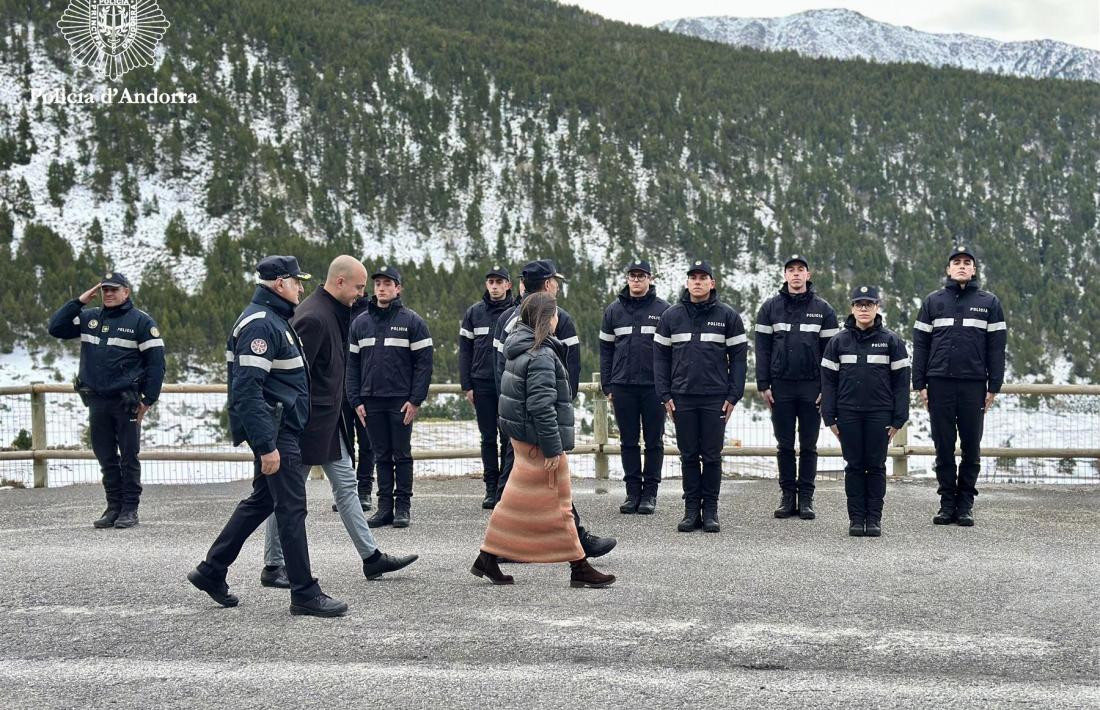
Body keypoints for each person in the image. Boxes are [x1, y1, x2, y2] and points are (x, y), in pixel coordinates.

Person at [188, 256, 347, 617]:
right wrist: (266, 446)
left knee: (261, 501)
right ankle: (305, 593)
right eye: (296, 281)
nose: (301, 288)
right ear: (278, 284)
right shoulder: (261, 325)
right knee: (292, 509)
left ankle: (211, 570)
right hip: (277, 434)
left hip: (282, 430)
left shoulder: (276, 320)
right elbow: (247, 392)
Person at [260, 256, 417, 589]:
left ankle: (371, 558)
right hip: (306, 426)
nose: (363, 294)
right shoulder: (314, 317)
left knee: (346, 487)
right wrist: (292, 424)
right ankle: (273, 565)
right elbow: (293, 376)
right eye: (360, 287)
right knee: (285, 495)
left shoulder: (336, 311)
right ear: (341, 282)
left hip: (328, 423)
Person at [472, 292, 616, 589]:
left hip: (523, 439)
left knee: (513, 500)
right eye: (555, 315)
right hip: (540, 442)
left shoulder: (520, 348)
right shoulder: (540, 354)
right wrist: (552, 448)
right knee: (561, 502)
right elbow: (541, 405)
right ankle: (580, 566)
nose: (558, 319)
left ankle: (486, 557)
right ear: (545, 319)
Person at [47, 271, 165, 529]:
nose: (109, 294)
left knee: (128, 456)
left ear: (126, 291)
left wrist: (148, 400)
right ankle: (113, 507)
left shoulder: (141, 322)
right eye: (105, 290)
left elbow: (156, 365)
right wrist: (78, 302)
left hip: (127, 401)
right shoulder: (89, 318)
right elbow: (55, 327)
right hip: (97, 400)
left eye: (114, 289)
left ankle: (129, 509)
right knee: (105, 456)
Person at [912, 246, 1006, 527]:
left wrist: (994, 386)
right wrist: (920, 384)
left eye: (967, 263)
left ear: (974, 269)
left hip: (973, 385)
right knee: (942, 446)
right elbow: (921, 345)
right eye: (957, 262)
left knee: (971, 447)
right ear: (948, 269)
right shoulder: (933, 302)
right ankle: (946, 504)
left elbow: (997, 348)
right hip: (938, 383)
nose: (962, 266)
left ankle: (965, 505)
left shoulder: (989, 303)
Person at [654, 260, 748, 534]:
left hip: (715, 398)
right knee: (688, 455)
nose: (697, 281)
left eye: (703, 277)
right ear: (687, 283)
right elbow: (660, 358)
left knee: (712, 456)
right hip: (681, 397)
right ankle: (691, 510)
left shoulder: (728, 316)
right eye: (693, 277)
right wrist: (664, 393)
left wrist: (734, 394)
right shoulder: (671, 316)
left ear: (712, 283)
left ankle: (711, 512)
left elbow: (740, 359)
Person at [346, 265, 434, 529]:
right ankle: (384, 508)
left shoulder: (413, 322)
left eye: (388, 283)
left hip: (400, 401)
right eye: (378, 284)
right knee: (379, 454)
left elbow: (424, 365)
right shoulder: (360, 323)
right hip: (370, 400)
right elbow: (352, 366)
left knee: (402, 454)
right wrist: (356, 400)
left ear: (398, 288)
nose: (382, 288)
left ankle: (403, 508)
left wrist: (416, 399)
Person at [820, 286, 910, 537]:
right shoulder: (838, 342)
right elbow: (827, 382)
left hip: (879, 414)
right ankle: (856, 519)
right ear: (852, 308)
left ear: (877, 307)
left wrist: (899, 419)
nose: (863, 309)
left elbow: (902, 382)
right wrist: (830, 417)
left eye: (868, 304)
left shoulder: (891, 341)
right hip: (848, 414)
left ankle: (874, 519)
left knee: (876, 465)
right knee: (854, 466)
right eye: (859, 304)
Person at [754, 255, 839, 520]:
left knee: (809, 445)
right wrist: (763, 384)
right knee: (785, 445)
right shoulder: (770, 309)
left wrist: (827, 387)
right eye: (791, 270)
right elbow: (762, 349)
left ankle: (807, 498)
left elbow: (831, 353)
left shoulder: (823, 310)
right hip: (780, 387)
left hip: (812, 387)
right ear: (785, 275)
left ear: (808, 275)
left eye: (800, 270)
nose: (796, 274)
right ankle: (787, 496)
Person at [598, 260, 670, 515]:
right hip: (623, 386)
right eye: (632, 276)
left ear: (650, 278)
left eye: (641, 276)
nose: (637, 280)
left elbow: (670, 352)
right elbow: (605, 351)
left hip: (653, 387)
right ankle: (632, 494)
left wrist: (666, 386)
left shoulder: (664, 310)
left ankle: (650, 494)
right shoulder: (613, 311)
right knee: (628, 442)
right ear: (627, 279)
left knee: (654, 442)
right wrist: (607, 384)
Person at [459, 265, 516, 509]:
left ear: (508, 285)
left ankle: (507, 488)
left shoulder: (516, 313)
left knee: (508, 438)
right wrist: (466, 384)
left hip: (506, 382)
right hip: (481, 383)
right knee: (487, 438)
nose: (494, 286)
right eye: (490, 281)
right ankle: (491, 488)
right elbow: (465, 351)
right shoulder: (474, 313)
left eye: (499, 281)